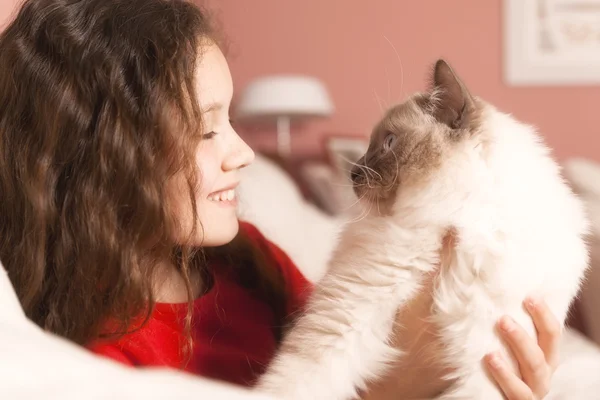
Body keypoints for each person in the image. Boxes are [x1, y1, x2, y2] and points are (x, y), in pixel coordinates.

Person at [0, 0, 561, 398]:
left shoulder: (250, 261)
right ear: (106, 155)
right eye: (205, 129)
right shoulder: (96, 359)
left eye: (232, 119)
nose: (244, 153)